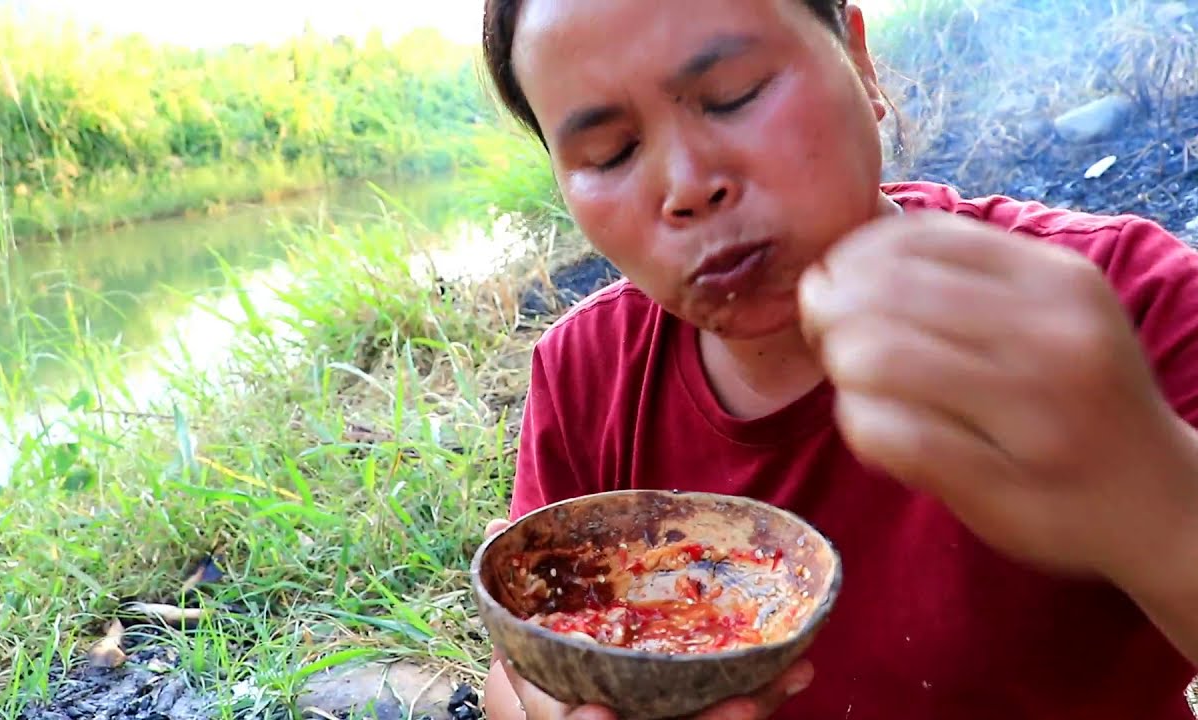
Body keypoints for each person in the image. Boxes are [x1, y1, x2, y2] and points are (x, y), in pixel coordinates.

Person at [475, 0, 1198, 718]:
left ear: (859, 60)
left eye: (735, 94)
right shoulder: (588, 372)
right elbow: (514, 675)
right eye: (611, 154)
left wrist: (1138, 484)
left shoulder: (1111, 311)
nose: (689, 184)